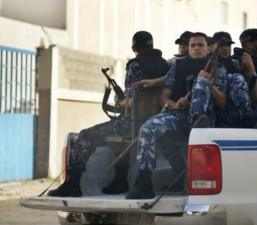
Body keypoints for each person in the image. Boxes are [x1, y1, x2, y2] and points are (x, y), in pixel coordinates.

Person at [47, 31, 170, 197]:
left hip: (134, 123)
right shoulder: (165, 65)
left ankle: (72, 184)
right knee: (118, 139)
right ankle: (119, 181)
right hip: (157, 120)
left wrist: (119, 102)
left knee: (84, 136)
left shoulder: (135, 65)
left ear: (134, 47)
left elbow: (132, 100)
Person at [125, 32, 227, 199]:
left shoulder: (219, 69)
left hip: (206, 119)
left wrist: (209, 84)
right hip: (179, 115)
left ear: (208, 48)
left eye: (200, 45)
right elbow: (163, 97)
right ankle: (144, 183)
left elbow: (223, 103)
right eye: (193, 45)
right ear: (188, 48)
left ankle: (196, 124)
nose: (196, 48)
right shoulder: (178, 68)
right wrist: (175, 104)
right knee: (147, 128)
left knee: (201, 82)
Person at [211, 31, 253, 128]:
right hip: (218, 112)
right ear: (213, 46)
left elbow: (250, 90)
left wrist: (251, 68)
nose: (226, 48)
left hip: (238, 111)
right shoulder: (210, 64)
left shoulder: (236, 64)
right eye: (222, 45)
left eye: (228, 45)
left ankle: (247, 121)